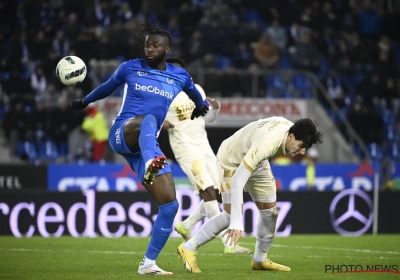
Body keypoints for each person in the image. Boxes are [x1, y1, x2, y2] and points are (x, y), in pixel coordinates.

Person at [68, 16, 209, 276]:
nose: (150, 48)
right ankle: (151, 161)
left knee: (170, 206)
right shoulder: (130, 68)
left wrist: (202, 105)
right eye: (147, 45)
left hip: (144, 149)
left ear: (167, 49)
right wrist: (83, 102)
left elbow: (195, 92)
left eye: (156, 45)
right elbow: (106, 88)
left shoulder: (179, 76)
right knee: (149, 120)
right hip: (124, 133)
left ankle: (148, 264)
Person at [177, 117, 324, 273]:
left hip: (257, 160)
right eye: (301, 146)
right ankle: (188, 247)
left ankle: (260, 260)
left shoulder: (290, 130)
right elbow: (237, 181)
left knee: (270, 213)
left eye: (306, 148)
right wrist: (236, 222)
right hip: (231, 160)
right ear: (291, 136)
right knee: (229, 215)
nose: (303, 152)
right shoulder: (268, 143)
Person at [162, 57, 251, 254]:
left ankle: (186, 225)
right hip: (185, 148)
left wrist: (215, 110)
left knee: (219, 193)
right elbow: (150, 117)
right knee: (208, 190)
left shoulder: (197, 89)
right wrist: (162, 124)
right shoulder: (163, 95)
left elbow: (208, 118)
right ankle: (229, 243)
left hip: (204, 146)